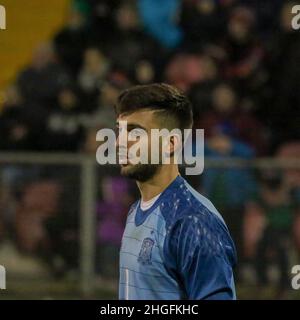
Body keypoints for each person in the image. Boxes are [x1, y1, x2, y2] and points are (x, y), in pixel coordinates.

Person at [114, 83, 237, 300]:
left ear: (170, 143)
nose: (120, 142)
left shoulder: (194, 222)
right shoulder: (136, 210)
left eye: (135, 132)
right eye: (120, 131)